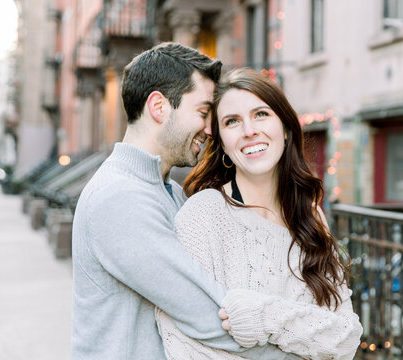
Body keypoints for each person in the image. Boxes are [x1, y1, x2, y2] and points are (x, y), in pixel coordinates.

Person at [71, 43, 301, 359]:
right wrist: (307, 348)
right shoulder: (120, 197)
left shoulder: (167, 191)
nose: (211, 129)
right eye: (204, 113)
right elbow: (210, 316)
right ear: (159, 107)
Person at [156, 68, 363, 359]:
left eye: (261, 114)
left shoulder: (310, 215)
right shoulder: (204, 214)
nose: (249, 130)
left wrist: (265, 317)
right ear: (224, 146)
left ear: (287, 130)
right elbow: (183, 343)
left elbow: (345, 338)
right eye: (232, 122)